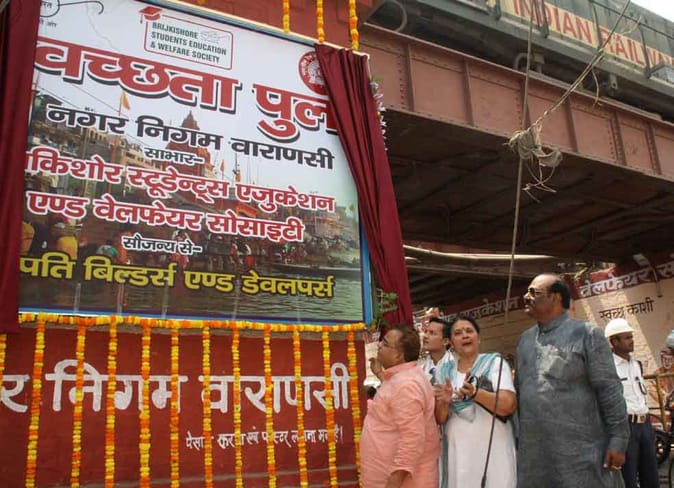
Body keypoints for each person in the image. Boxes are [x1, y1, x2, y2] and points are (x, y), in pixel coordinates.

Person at [516, 273, 629, 487]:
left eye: (534, 292)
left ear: (556, 297)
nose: (526, 297)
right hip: (535, 455)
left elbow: (609, 390)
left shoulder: (587, 334)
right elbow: (520, 394)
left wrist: (619, 439)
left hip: (581, 452)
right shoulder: (525, 340)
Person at [434, 316, 517, 488]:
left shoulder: (494, 363)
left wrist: (476, 393)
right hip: (459, 452)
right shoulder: (443, 372)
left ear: (478, 338)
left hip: (494, 449)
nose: (465, 335)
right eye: (458, 333)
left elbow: (508, 405)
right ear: (450, 342)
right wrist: (444, 402)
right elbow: (440, 418)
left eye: (469, 331)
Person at [360, 325, 440, 487]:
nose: (379, 345)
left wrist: (394, 482)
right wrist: (381, 374)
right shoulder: (402, 378)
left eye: (385, 343)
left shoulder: (406, 385)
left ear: (399, 355)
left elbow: (412, 439)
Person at [604, 318, 659, 488]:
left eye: (631, 337)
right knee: (629, 478)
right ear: (614, 341)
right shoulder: (608, 367)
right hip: (625, 427)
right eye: (627, 337)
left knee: (651, 476)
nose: (632, 341)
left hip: (645, 425)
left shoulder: (636, 364)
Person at [420, 317, 453, 385]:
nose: (425, 336)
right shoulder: (420, 370)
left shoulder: (457, 368)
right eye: (426, 332)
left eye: (432, 333)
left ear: (445, 341)